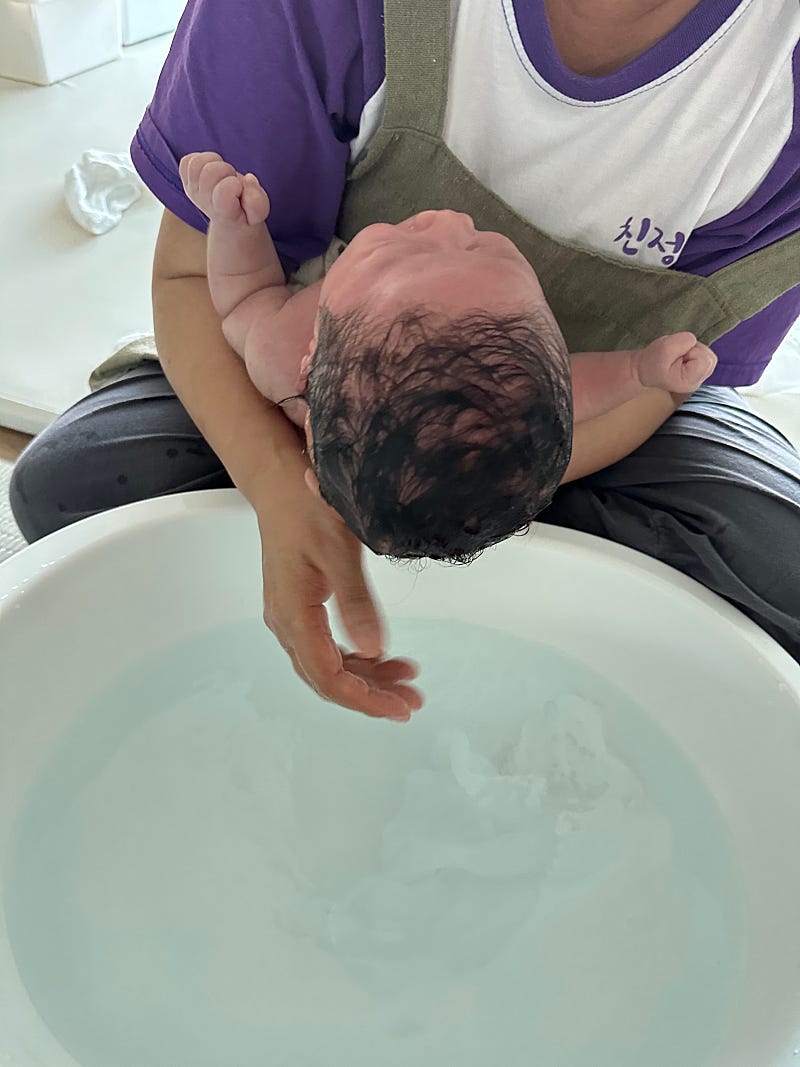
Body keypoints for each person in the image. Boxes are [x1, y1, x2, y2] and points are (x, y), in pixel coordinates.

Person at [10, 0, 800, 725]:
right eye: (396, 243)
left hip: (564, 441)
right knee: (77, 481)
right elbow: (212, 289)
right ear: (314, 353)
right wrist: (285, 496)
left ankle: (499, 579)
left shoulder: (772, 86)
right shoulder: (286, 343)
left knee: (781, 571)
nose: (448, 220)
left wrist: (499, 482)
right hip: (336, 448)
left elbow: (603, 389)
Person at [179, 149, 717, 560]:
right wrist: (638, 370)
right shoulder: (513, 393)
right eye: (484, 249)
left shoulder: (280, 350)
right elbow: (576, 392)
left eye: (394, 252)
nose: (449, 220)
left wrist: (232, 226)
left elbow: (244, 296)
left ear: (312, 355)